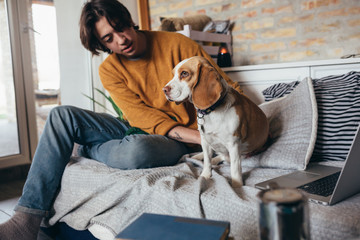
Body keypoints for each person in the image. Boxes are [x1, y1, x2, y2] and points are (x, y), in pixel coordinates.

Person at [0, 0, 242, 239]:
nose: (121, 39)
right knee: (61, 115)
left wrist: (212, 134)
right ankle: (25, 220)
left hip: (173, 137)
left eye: (121, 27)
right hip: (136, 125)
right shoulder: (109, 70)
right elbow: (139, 115)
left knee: (136, 151)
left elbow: (226, 87)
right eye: (109, 38)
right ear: (101, 43)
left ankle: (88, 148)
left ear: (129, 21)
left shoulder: (178, 44)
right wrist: (205, 139)